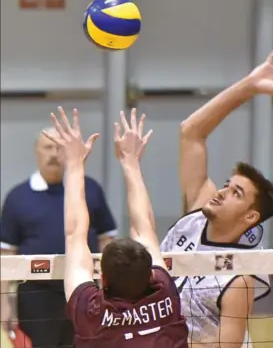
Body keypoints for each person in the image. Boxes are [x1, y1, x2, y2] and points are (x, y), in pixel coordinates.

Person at [160, 47, 273, 347]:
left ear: (250, 217)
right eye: (227, 184)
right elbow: (191, 132)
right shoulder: (197, 211)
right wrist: (248, 87)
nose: (222, 192)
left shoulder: (239, 280)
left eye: (236, 193)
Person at [42, 107, 189, 348]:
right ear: (151, 274)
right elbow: (144, 231)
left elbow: (74, 234)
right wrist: (130, 162)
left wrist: (75, 163)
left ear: (104, 280)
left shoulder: (91, 314)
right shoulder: (166, 298)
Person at [0, 125, 117, 348]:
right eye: (48, 147)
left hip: (84, 290)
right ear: (37, 151)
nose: (54, 154)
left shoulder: (89, 190)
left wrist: (110, 288)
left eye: (59, 148)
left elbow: (106, 240)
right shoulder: (17, 197)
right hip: (36, 295)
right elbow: (6, 253)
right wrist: (3, 303)